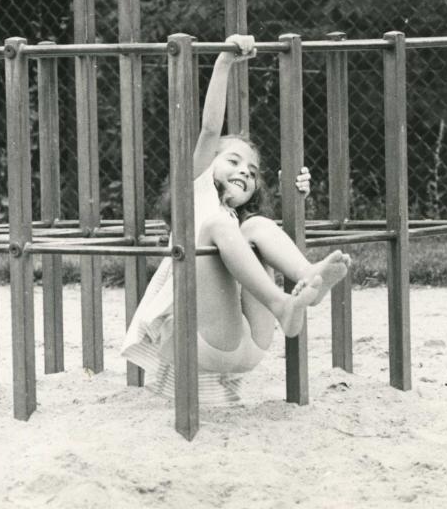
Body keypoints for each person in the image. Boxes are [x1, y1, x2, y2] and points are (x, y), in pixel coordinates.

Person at [121, 34, 351, 394]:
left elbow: (270, 243)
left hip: (251, 342)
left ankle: (307, 276)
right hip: (199, 338)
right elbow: (210, 128)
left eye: (252, 171)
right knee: (217, 226)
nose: (245, 170)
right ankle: (282, 304)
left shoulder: (239, 223)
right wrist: (224, 61)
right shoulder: (195, 194)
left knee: (257, 227)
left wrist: (297, 195)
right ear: (207, 163)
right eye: (233, 161)